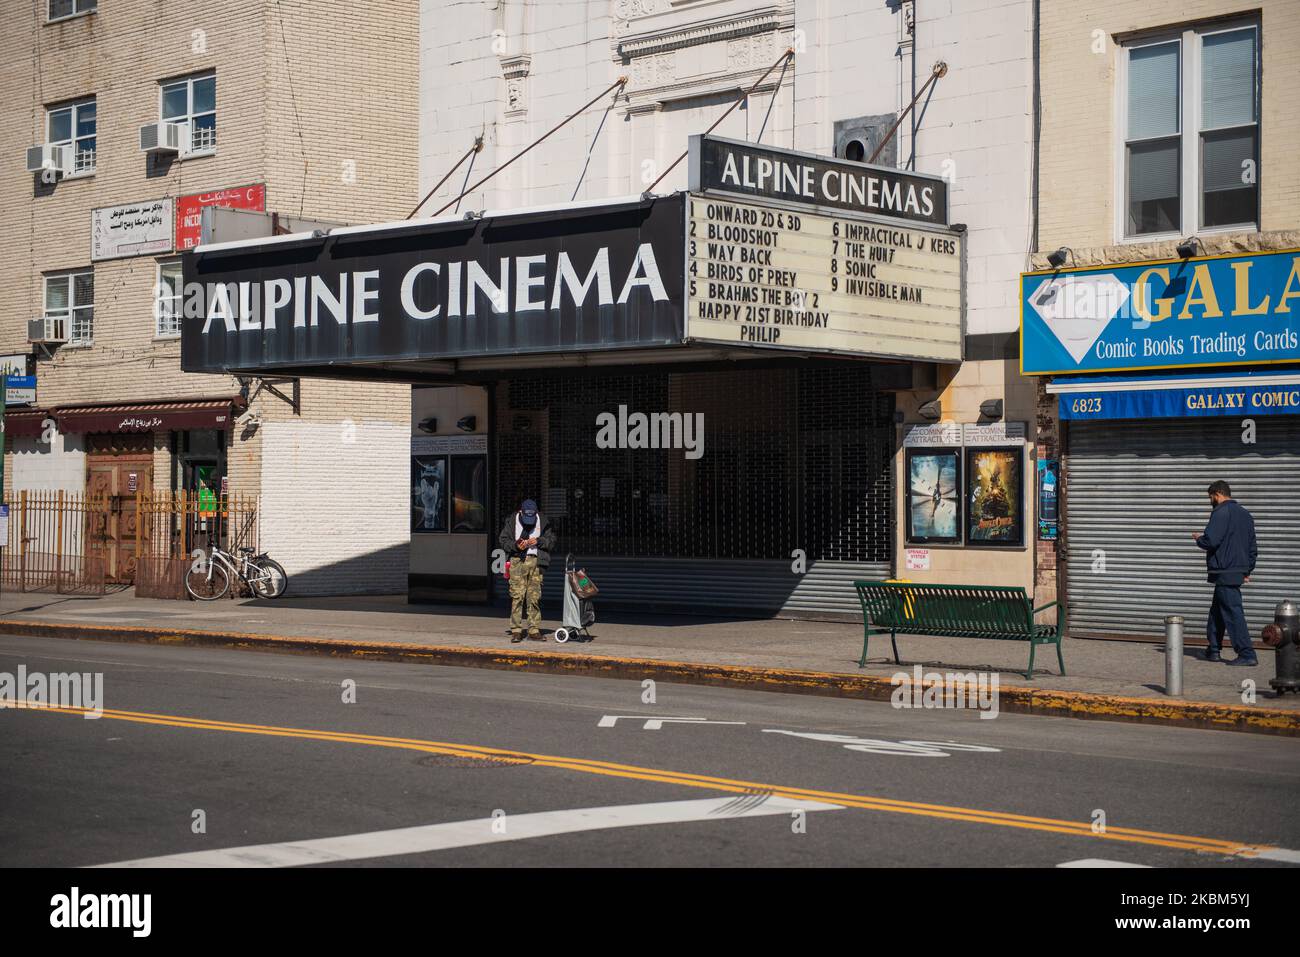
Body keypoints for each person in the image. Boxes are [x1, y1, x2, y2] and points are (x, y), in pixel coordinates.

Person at [1192, 480, 1258, 666]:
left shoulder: (1220, 512)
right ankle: (1213, 649)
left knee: (1232, 611)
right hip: (1236, 570)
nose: (1210, 501)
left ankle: (1247, 653)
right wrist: (1247, 569)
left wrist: (1199, 539)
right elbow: (1252, 547)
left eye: (1210, 497)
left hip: (1224, 570)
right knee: (1217, 611)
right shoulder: (1246, 515)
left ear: (1218, 494)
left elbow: (1211, 541)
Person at [498, 498, 555, 642]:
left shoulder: (543, 521)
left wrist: (539, 541)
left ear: (536, 513)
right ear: (520, 512)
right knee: (517, 597)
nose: (529, 520)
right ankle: (516, 630)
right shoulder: (511, 521)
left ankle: (534, 630)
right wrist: (517, 546)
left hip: (536, 562)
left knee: (534, 597)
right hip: (518, 561)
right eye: (526, 517)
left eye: (532, 516)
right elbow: (503, 541)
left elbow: (552, 540)